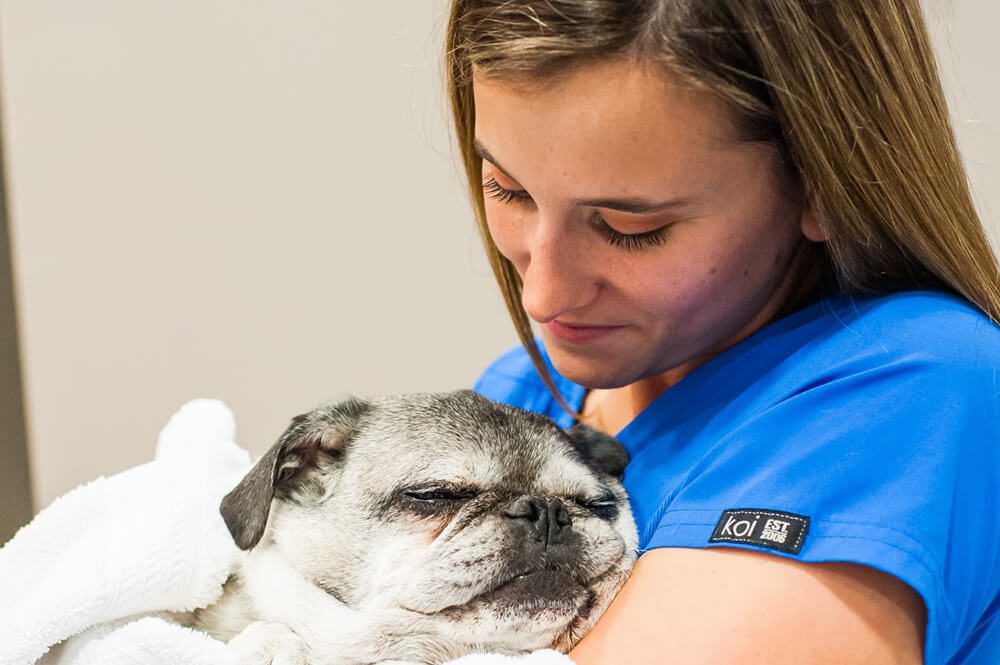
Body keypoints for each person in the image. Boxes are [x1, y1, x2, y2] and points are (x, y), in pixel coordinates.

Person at [446, 1, 1000, 663]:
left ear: (826, 180)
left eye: (630, 228)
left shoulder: (922, 385)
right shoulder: (524, 391)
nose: (544, 293)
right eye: (508, 189)